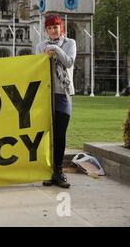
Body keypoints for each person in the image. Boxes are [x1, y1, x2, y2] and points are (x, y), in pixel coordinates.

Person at [36, 14, 76, 189]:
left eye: (56, 27)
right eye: (50, 28)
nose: (53, 30)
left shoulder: (70, 44)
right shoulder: (40, 46)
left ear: (62, 28)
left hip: (63, 94)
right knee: (47, 135)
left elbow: (68, 62)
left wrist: (56, 50)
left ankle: (59, 172)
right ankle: (50, 172)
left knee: (60, 134)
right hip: (46, 94)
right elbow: (36, 68)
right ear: (46, 30)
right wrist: (44, 56)